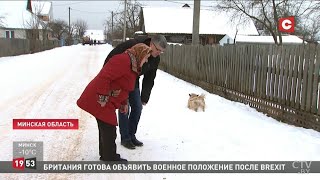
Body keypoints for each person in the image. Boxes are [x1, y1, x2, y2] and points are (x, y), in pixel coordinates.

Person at [77, 43, 152, 161]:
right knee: (109, 128)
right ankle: (110, 158)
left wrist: (123, 102)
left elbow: (123, 85)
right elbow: (105, 76)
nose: (147, 61)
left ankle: (106, 155)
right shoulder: (123, 60)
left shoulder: (133, 66)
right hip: (99, 98)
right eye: (146, 57)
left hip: (106, 100)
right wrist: (103, 97)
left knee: (106, 128)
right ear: (140, 54)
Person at [103, 34, 167, 149]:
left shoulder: (155, 58)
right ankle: (125, 138)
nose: (159, 53)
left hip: (133, 79)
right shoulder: (133, 45)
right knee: (124, 107)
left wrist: (144, 97)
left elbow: (150, 78)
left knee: (137, 107)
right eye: (158, 50)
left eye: (162, 52)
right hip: (121, 77)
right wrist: (108, 77)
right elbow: (112, 57)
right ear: (151, 44)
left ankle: (131, 135)